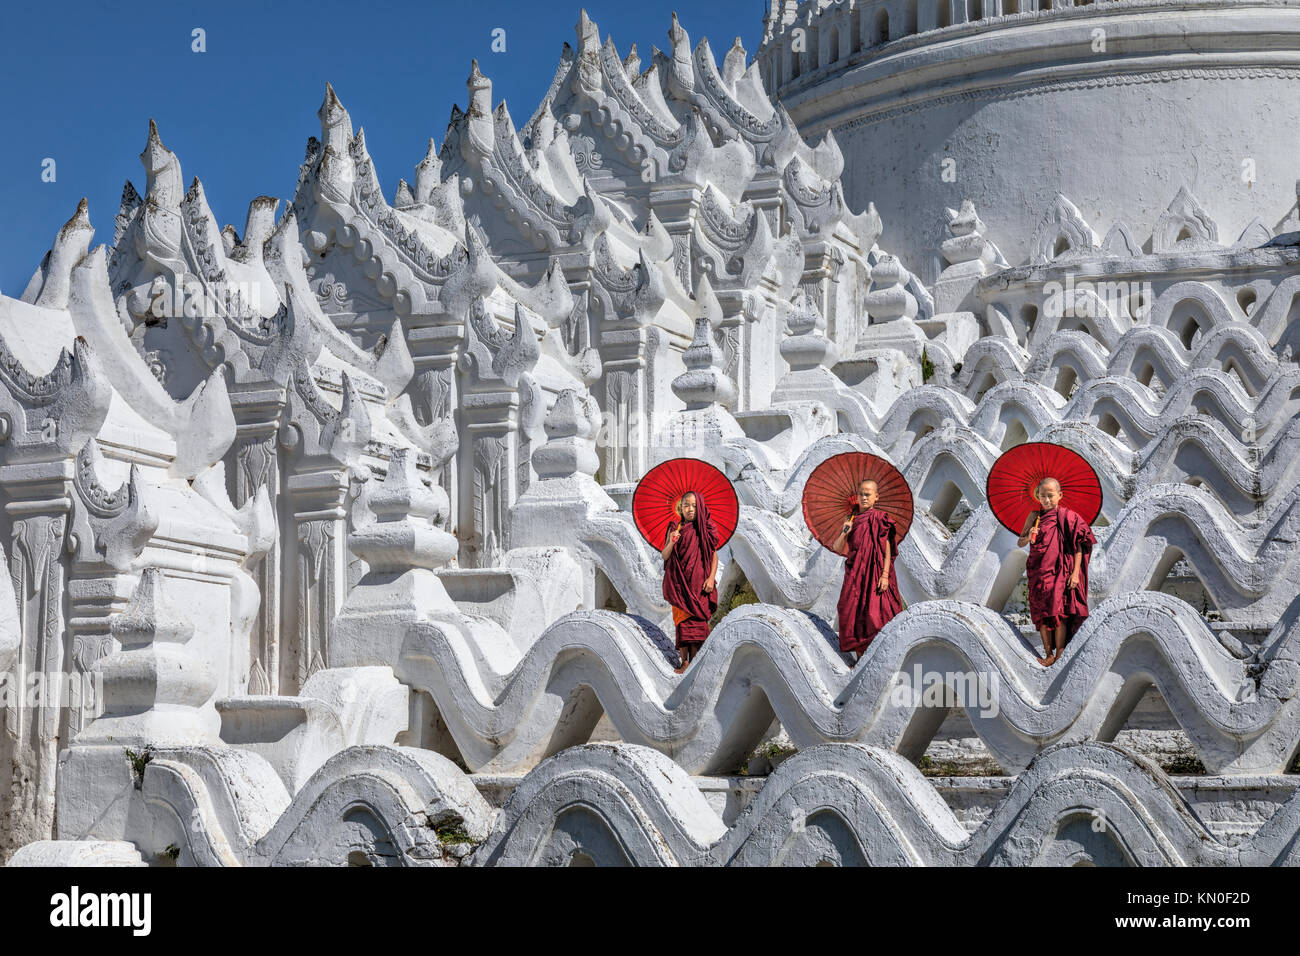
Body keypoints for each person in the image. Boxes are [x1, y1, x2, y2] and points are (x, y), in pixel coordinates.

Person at [1018, 477, 1096, 667]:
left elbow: (1079, 547)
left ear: (1060, 495)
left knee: (1058, 612)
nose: (1046, 500)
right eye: (1042, 496)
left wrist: (1076, 573)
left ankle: (1060, 652)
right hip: (1038, 571)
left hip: (1060, 572)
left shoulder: (1068, 517)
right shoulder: (1033, 516)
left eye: (1050, 496)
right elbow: (1020, 542)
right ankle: (1048, 654)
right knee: (1041, 614)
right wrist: (1029, 535)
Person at [834, 479, 903, 663]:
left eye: (868, 494)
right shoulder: (851, 520)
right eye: (861, 494)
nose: (864, 498)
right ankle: (860, 659)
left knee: (875, 614)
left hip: (875, 574)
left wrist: (885, 575)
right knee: (849, 611)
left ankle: (879, 658)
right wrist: (844, 531)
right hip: (855, 574)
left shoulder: (880, 518)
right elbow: (837, 546)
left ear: (876, 497)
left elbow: (888, 550)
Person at [661, 490, 719, 674]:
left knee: (696, 623)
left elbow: (713, 557)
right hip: (678, 584)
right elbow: (664, 555)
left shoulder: (704, 529)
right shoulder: (674, 528)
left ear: (700, 507)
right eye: (686, 505)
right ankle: (684, 662)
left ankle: (694, 661)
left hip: (699, 584)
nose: (690, 509)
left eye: (694, 505)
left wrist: (711, 578)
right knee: (682, 623)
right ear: (681, 507)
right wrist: (671, 542)